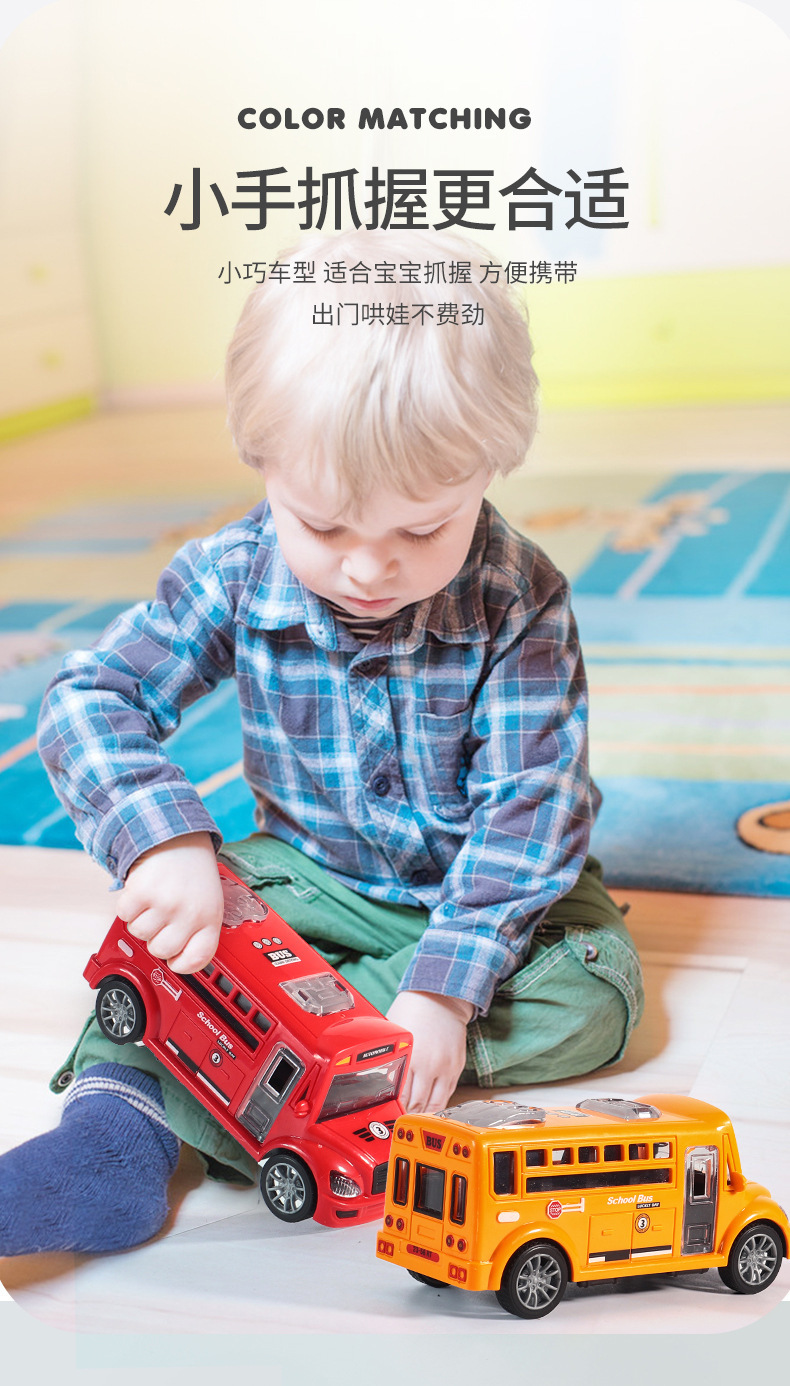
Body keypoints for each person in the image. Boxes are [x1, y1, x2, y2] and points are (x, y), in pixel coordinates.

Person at [0, 228, 643, 1256]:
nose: (367, 570)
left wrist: (444, 988)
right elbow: (91, 697)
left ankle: (273, 1072)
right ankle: (114, 1143)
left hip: (484, 899)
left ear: (490, 464)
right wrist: (165, 842)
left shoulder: (520, 599)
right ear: (262, 463)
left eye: (421, 530)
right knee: (170, 946)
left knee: (596, 994)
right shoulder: (230, 572)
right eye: (325, 526)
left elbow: (533, 811)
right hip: (307, 883)